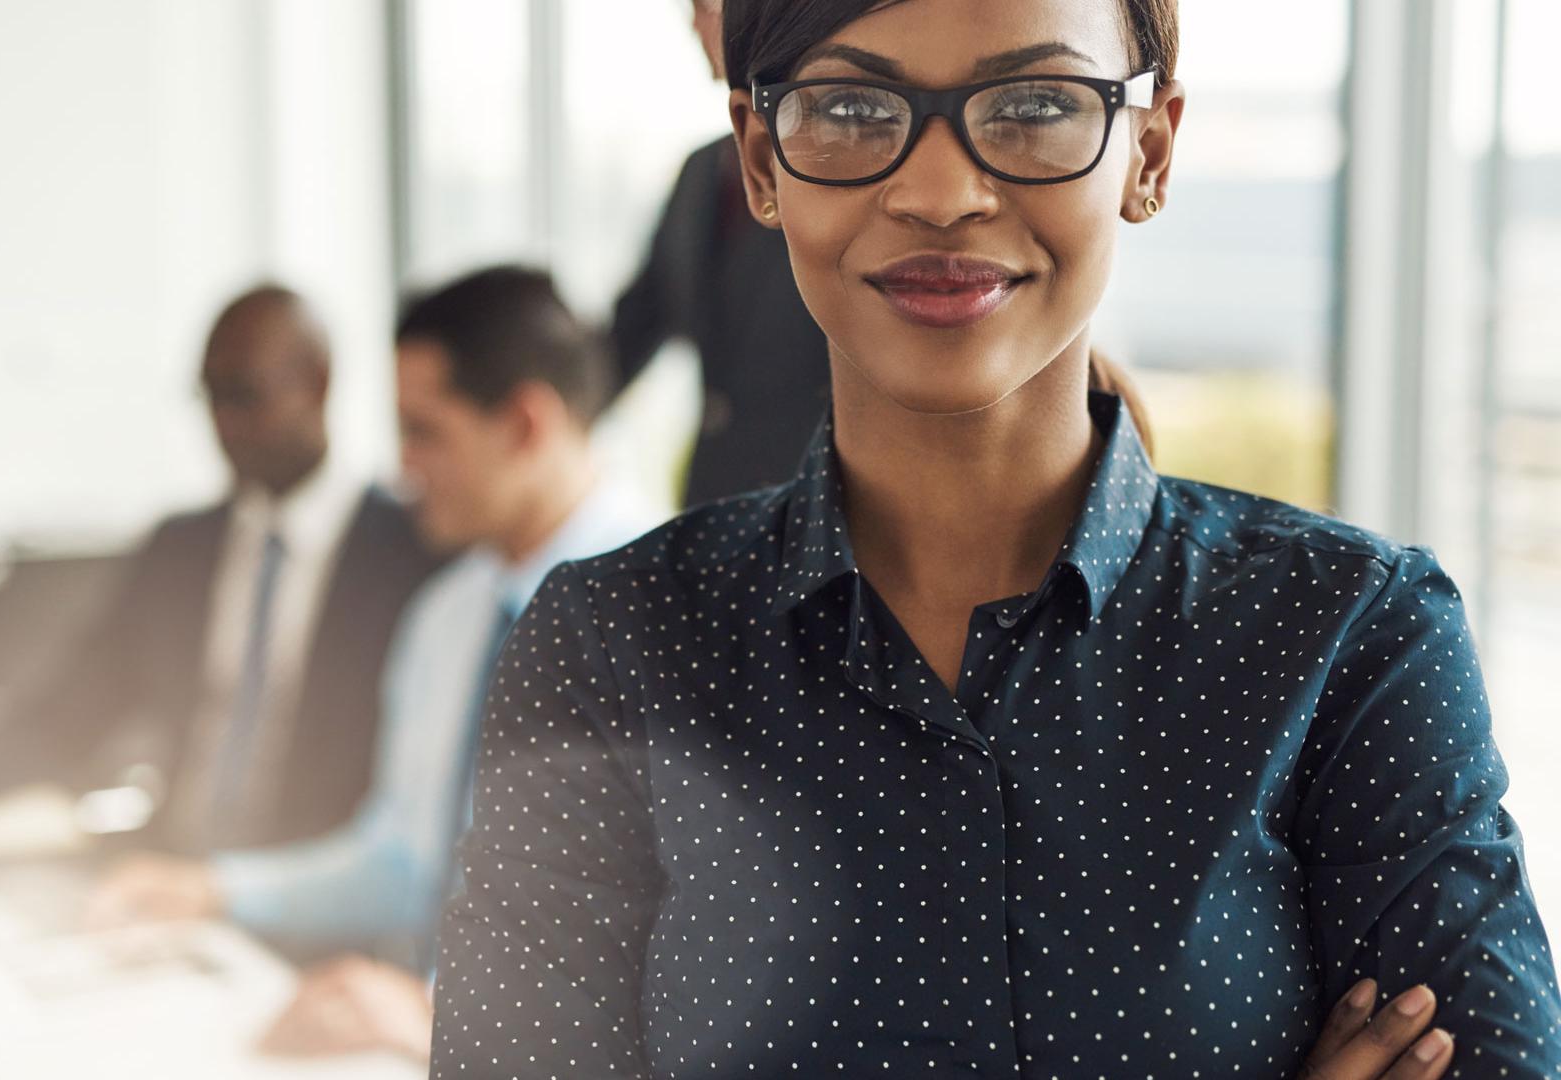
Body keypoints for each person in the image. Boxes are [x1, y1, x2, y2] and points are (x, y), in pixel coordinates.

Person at [428, 2, 1561, 1078]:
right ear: (760, 159)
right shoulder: (608, 649)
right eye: (851, 109)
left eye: (1033, 105)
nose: (938, 191)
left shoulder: (1353, 638)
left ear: (1150, 151)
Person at [87, 268, 659, 1029]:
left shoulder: (685, 619)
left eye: (425, 432)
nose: (403, 469)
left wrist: (435, 1014)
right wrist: (216, 890)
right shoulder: (447, 615)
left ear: (524, 424)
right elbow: (402, 860)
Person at [0, 285, 444, 861]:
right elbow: (76, 703)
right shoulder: (181, 549)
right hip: (168, 876)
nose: (224, 424)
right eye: (211, 396)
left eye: (245, 395)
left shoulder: (409, 554)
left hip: (321, 899)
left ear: (317, 382)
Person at [608, 0, 830, 507]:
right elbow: (636, 324)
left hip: (820, 513)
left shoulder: (842, 169)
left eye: (707, 6)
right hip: (716, 505)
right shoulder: (700, 171)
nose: (693, 24)